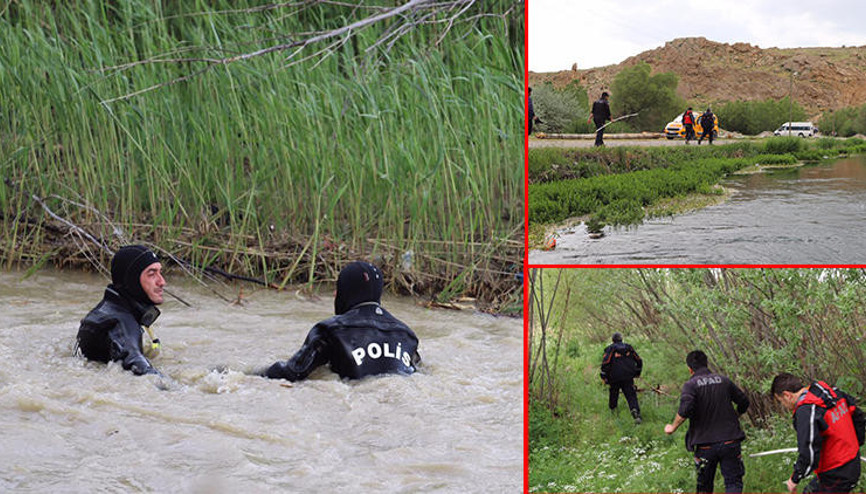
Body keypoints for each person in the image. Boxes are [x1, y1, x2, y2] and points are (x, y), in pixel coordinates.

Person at [263, 261, 420, 382]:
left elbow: (292, 372)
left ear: (343, 292)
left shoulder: (330, 329)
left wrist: (249, 375)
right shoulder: (407, 335)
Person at [664, 350, 750, 493]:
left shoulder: (690, 385)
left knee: (704, 487)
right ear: (706, 363)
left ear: (690, 369)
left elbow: (685, 409)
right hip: (730, 441)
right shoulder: (724, 380)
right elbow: (744, 402)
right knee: (733, 483)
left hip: (705, 446)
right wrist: (736, 415)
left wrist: (672, 427)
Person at [76, 245, 165, 375]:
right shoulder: (123, 325)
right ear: (132, 280)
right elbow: (141, 370)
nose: (162, 281)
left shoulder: (104, 309)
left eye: (160, 272)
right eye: (151, 274)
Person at [770, 373, 864, 493]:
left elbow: (809, 451)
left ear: (787, 395)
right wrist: (856, 444)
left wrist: (795, 479)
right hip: (852, 463)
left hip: (836, 472)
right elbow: (858, 416)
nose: (783, 405)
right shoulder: (831, 394)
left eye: (780, 401)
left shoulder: (806, 410)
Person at [600, 332, 643, 424]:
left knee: (614, 394)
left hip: (614, 377)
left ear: (613, 340)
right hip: (628, 376)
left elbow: (605, 363)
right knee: (631, 394)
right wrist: (637, 372)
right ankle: (635, 411)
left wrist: (604, 376)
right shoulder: (629, 348)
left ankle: (613, 412)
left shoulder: (610, 349)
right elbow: (639, 360)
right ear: (621, 339)